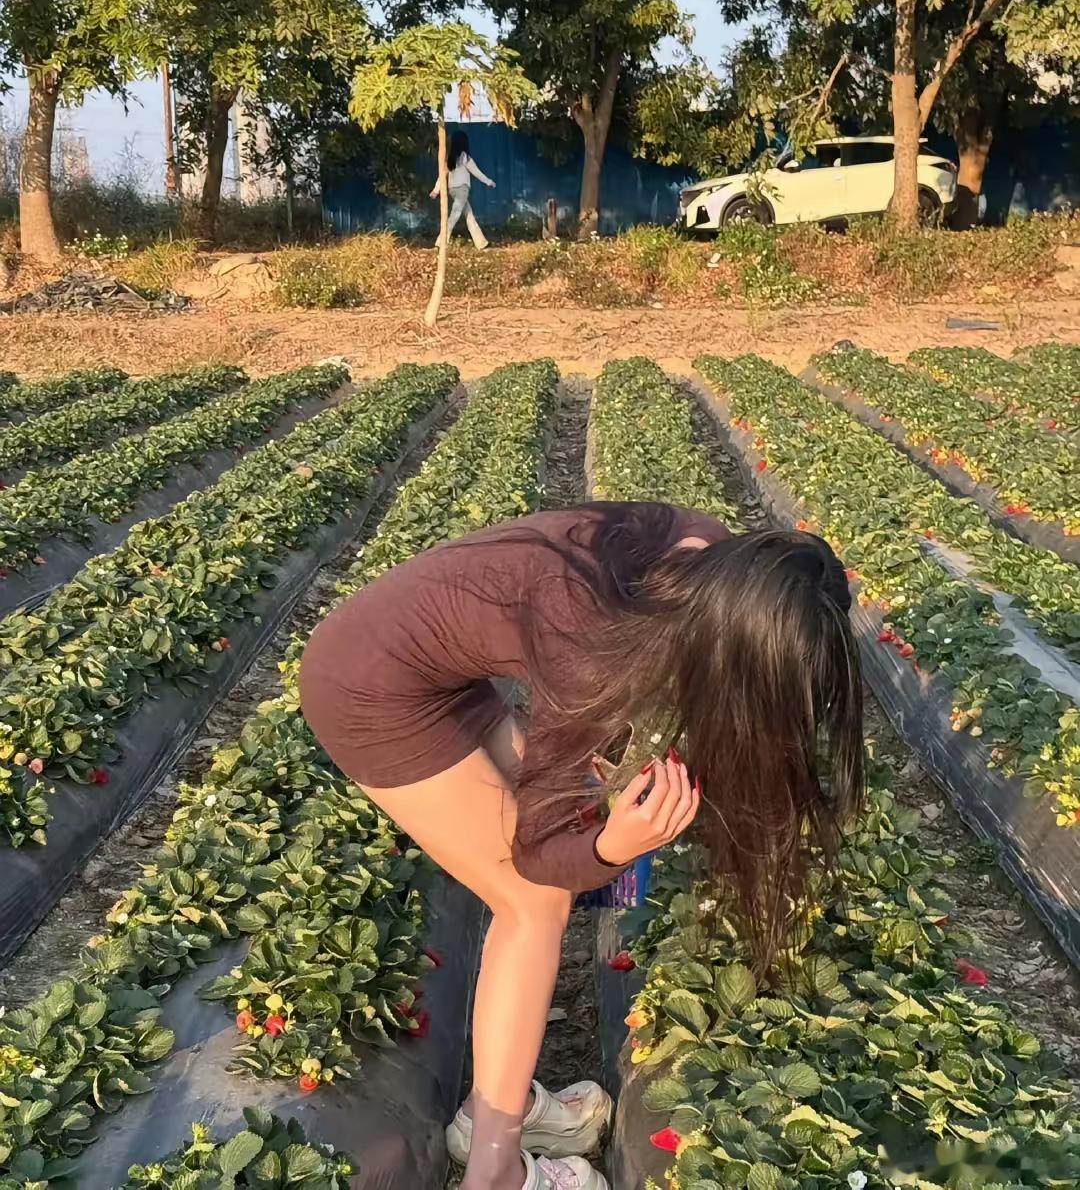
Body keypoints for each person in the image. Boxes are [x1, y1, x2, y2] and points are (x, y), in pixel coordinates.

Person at [299, 502, 865, 1190]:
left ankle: (489, 1111)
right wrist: (612, 846)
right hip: (370, 688)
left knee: (550, 864)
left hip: (432, 667)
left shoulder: (702, 554)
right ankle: (494, 1171)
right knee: (531, 902)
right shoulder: (589, 639)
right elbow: (543, 854)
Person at [431, 130, 496, 250]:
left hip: (452, 191)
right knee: (453, 217)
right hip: (462, 191)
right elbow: (476, 172)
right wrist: (489, 182)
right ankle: (440, 243)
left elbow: (441, 175)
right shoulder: (465, 157)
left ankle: (482, 244)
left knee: (469, 216)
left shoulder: (449, 158)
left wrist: (436, 190)